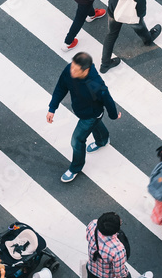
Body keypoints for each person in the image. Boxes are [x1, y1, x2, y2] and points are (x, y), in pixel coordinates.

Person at [48, 53, 120, 183]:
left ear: (85, 70)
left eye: (75, 70)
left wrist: (114, 115)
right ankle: (103, 140)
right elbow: (61, 87)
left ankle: (75, 168)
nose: (72, 71)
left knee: (77, 141)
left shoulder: (95, 83)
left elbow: (107, 99)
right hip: (82, 110)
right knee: (96, 125)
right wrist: (52, 108)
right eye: (72, 67)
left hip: (91, 115)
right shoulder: (69, 69)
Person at [84, 212, 152, 278]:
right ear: (116, 230)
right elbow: (119, 273)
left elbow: (88, 238)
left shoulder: (93, 224)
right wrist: (124, 274)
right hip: (109, 276)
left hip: (92, 268)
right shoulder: (117, 250)